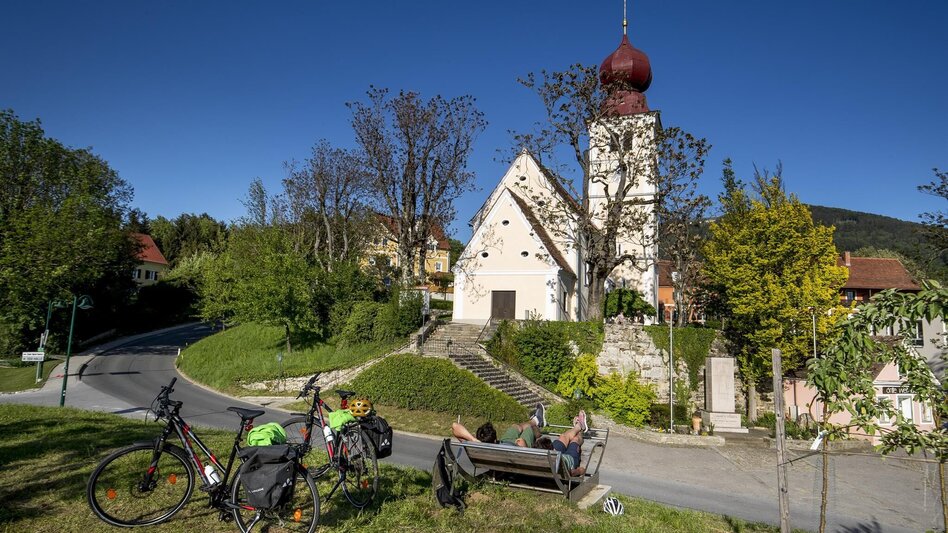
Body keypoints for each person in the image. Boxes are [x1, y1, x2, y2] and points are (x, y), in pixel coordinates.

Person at [452, 403, 547, 448]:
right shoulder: (495, 446)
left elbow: (455, 426)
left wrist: (473, 440)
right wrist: (521, 443)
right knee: (530, 429)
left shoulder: (476, 447)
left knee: (515, 427)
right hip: (511, 447)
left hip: (504, 442)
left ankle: (535, 420)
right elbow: (522, 449)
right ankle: (537, 424)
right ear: (494, 439)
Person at [551, 410, 588, 477]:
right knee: (575, 439)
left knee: (563, 436)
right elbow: (572, 473)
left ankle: (578, 427)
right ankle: (580, 430)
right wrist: (580, 471)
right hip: (568, 460)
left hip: (551, 455)